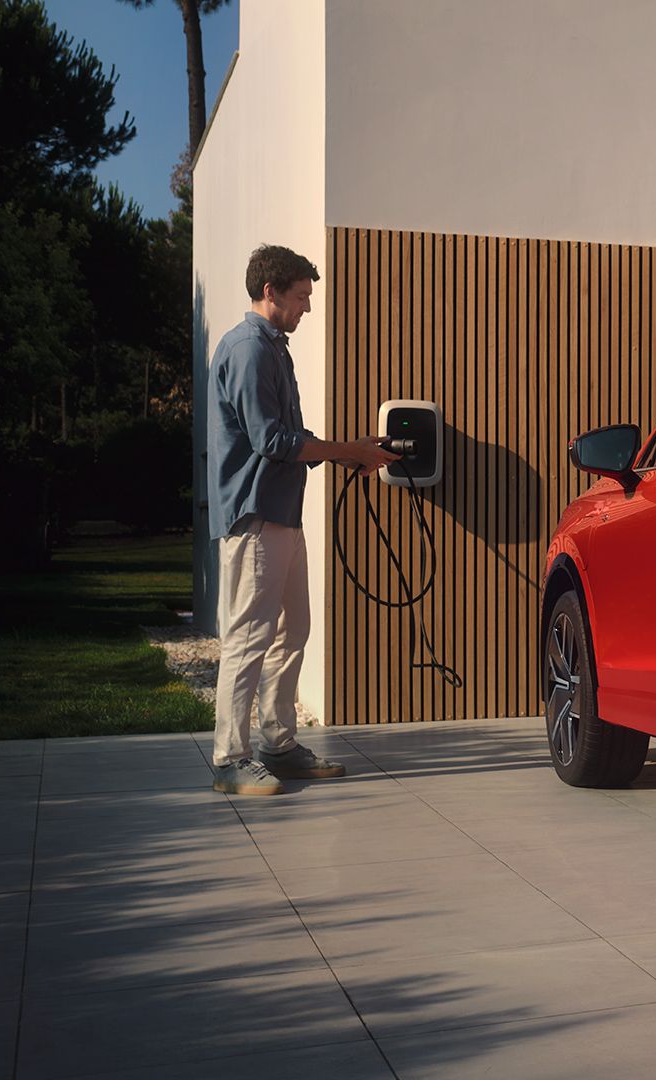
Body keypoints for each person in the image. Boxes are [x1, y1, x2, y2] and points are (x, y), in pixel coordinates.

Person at [206, 244, 399, 795]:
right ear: (271, 292)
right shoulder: (248, 349)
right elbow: (272, 440)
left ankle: (278, 744)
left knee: (293, 632)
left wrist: (349, 451)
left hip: (282, 517)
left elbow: (289, 439)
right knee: (249, 638)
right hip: (256, 515)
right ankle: (229, 759)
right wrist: (348, 452)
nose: (307, 307)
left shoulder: (274, 348)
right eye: (300, 296)